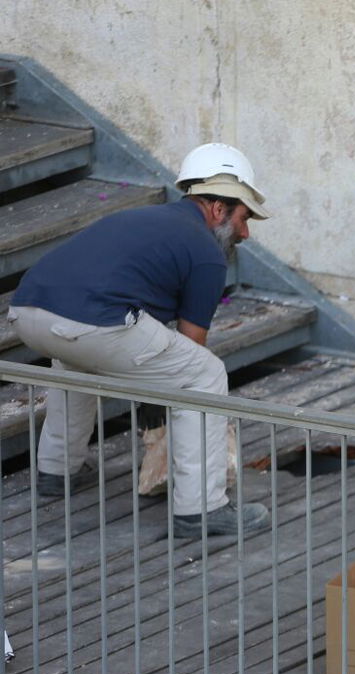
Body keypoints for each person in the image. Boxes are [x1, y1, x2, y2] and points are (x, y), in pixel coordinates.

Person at [8, 143, 276, 538]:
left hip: (26, 312)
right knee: (205, 375)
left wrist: (154, 387)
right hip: (92, 322)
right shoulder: (206, 251)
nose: (246, 233)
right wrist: (158, 393)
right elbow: (192, 345)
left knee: (75, 358)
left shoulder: (140, 217)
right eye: (244, 218)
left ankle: (57, 471)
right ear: (219, 209)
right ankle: (201, 509)